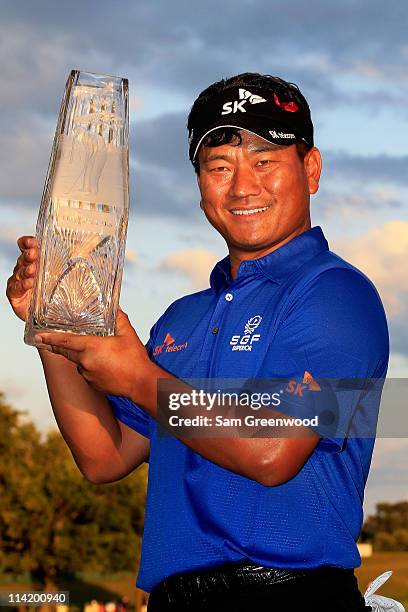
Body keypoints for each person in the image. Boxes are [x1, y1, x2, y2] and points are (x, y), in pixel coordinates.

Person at [6, 73, 389, 611]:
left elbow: (274, 450)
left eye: (264, 162)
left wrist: (141, 378)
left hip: (291, 596)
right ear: (200, 184)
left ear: (311, 169)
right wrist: (55, 329)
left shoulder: (339, 296)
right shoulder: (182, 319)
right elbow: (104, 455)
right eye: (219, 167)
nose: (242, 186)